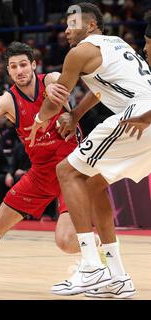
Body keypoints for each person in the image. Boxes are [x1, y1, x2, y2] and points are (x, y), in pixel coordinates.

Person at [27, 3, 151, 298]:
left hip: (137, 117)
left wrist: (37, 121)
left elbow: (56, 101)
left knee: (66, 172)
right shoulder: (117, 44)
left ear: (92, 25)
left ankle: (92, 267)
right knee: (93, 185)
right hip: (145, 116)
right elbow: (100, 90)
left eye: (72, 23)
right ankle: (118, 276)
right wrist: (77, 115)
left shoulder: (79, 52)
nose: (66, 30)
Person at [0, 42, 93, 286]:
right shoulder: (7, 100)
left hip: (73, 170)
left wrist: (64, 93)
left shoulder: (51, 80)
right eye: (14, 66)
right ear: (8, 71)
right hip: (41, 174)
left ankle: (97, 257)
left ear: (34, 65)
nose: (20, 70)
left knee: (66, 241)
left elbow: (64, 79)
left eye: (24, 64)